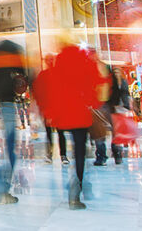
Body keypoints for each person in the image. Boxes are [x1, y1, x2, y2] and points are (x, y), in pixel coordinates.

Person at [49, 35, 108, 210]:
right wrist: (93, 102)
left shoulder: (59, 61)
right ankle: (77, 186)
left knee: (68, 143)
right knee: (80, 150)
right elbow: (96, 82)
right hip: (81, 112)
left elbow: (54, 86)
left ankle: (75, 177)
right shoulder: (83, 60)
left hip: (64, 112)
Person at [0, 39, 26, 205]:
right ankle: (2, 189)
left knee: (8, 147)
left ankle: (0, 187)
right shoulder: (15, 54)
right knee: (11, 146)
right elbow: (23, 77)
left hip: (0, 102)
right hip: (9, 102)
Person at [33, 54, 69, 165]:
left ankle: (62, 155)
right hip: (49, 107)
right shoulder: (44, 75)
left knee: (60, 132)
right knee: (51, 132)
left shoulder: (58, 74)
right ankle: (52, 154)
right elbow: (38, 91)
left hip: (57, 107)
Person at [95, 65, 130, 166]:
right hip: (105, 108)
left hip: (116, 109)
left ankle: (117, 153)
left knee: (116, 133)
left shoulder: (121, 82)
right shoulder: (104, 81)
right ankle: (101, 156)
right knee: (101, 133)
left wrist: (126, 107)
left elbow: (125, 94)